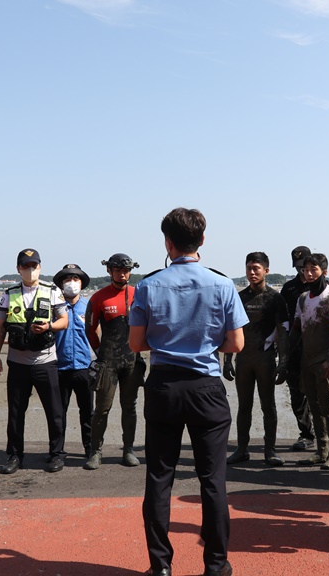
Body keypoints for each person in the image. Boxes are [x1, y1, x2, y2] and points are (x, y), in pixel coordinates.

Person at [129, 208, 248, 576]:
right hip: (206, 387)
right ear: (202, 240)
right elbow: (236, 343)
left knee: (159, 477)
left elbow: (136, 344)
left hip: (164, 385)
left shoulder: (149, 285)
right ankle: (216, 564)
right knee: (212, 480)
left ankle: (161, 566)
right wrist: (205, 344)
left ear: (168, 242)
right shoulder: (222, 284)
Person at [0, 249, 68, 474]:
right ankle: (15, 456)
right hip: (17, 363)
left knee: (54, 411)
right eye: (26, 266)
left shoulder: (52, 291)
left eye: (34, 265)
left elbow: (64, 320)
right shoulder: (9, 294)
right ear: (18, 269)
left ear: (40, 267)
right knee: (16, 412)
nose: (30, 270)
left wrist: (49, 326)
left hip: (45, 361)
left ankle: (56, 454)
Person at [223, 252, 290, 467]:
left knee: (268, 405)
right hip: (244, 359)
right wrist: (227, 360)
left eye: (256, 269)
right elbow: (231, 329)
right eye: (249, 268)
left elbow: (283, 332)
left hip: (265, 359)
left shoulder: (275, 299)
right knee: (244, 406)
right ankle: (242, 449)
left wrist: (283, 363)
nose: (252, 273)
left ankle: (270, 450)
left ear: (266, 271)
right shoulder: (239, 297)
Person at [84, 253, 146, 470]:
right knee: (102, 408)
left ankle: (128, 450)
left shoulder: (138, 295)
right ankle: (95, 452)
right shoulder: (99, 298)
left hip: (132, 361)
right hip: (108, 361)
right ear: (109, 271)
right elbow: (90, 330)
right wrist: (100, 352)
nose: (122, 274)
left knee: (130, 407)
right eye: (118, 270)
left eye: (126, 270)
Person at [291, 253, 329, 470]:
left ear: (324, 271)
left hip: (325, 362)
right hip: (307, 361)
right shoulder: (303, 298)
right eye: (305, 269)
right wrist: (287, 359)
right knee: (314, 407)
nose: (308, 273)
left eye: (313, 269)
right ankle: (321, 451)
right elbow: (296, 329)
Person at [53, 263, 94, 459]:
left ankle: (90, 448)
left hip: (84, 367)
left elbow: (97, 335)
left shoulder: (89, 307)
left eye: (75, 278)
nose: (71, 282)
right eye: (67, 279)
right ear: (61, 284)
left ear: (81, 283)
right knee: (58, 412)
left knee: (88, 412)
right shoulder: (54, 307)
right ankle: (57, 450)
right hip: (59, 367)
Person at [279, 246, 316, 451]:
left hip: (316, 348)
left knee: (318, 393)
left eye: (306, 266)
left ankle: (323, 434)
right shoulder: (289, 289)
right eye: (299, 266)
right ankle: (306, 433)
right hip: (294, 348)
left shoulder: (323, 288)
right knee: (296, 393)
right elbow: (282, 319)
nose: (303, 271)